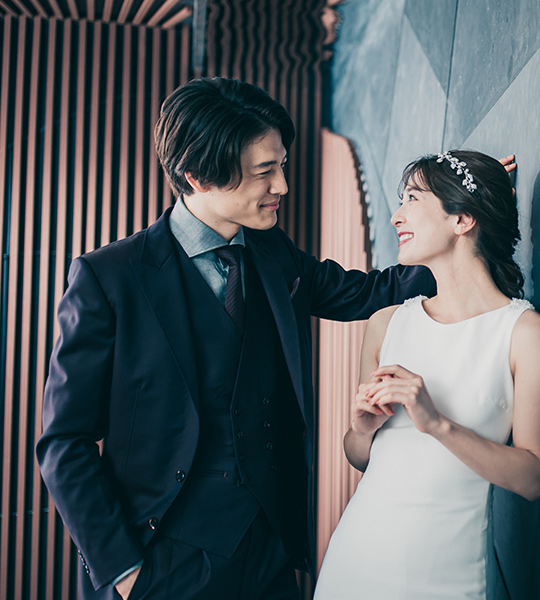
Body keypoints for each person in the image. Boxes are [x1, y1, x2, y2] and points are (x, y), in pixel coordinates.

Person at [36, 77, 513, 599]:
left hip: (271, 551)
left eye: (281, 165)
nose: (282, 185)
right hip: (163, 564)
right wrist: (124, 570)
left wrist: (461, 218)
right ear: (197, 176)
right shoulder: (108, 279)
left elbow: (365, 293)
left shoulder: (269, 250)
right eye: (265, 172)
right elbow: (64, 442)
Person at [313, 150, 540, 599]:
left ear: (462, 220)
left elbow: (535, 479)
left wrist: (438, 424)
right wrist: (362, 429)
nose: (396, 216)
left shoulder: (523, 333)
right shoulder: (386, 324)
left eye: (412, 198)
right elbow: (360, 456)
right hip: (352, 562)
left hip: (446, 576)